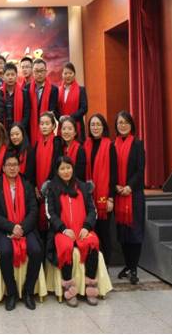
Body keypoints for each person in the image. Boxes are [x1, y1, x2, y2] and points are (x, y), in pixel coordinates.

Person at [0, 151, 43, 310]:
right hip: (4, 229)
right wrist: (11, 227)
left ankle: (28, 292)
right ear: (3, 168)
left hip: (26, 228)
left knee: (36, 251)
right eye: (9, 165)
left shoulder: (27, 185)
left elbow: (33, 210)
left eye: (15, 165)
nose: (12, 168)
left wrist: (22, 228)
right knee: (5, 252)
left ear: (19, 167)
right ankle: (11, 292)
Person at [46, 156, 100, 307]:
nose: (66, 171)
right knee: (66, 247)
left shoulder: (82, 187)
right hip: (62, 231)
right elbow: (50, 213)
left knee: (93, 242)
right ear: (57, 171)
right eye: (62, 168)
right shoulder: (52, 188)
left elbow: (92, 210)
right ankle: (69, 288)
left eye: (68, 168)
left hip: (82, 229)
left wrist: (87, 227)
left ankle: (90, 286)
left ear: (73, 168)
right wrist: (63, 229)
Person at [114, 111, 146, 285]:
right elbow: (111, 168)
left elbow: (140, 170)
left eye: (126, 122)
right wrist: (116, 186)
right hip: (119, 194)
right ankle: (127, 265)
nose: (123, 125)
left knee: (135, 232)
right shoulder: (113, 144)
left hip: (134, 195)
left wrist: (129, 187)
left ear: (131, 124)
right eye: (120, 122)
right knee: (123, 233)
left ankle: (134, 268)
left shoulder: (137, 144)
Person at [83, 114, 117, 265]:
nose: (95, 127)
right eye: (92, 125)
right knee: (91, 234)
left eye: (98, 124)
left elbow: (113, 174)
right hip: (88, 197)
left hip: (104, 197)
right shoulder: (86, 145)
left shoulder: (110, 145)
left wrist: (110, 198)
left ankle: (106, 267)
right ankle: (93, 267)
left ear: (103, 127)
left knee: (104, 234)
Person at [34, 112, 62, 233]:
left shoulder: (57, 142)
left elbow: (56, 166)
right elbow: (33, 166)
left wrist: (47, 185)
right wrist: (36, 187)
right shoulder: (37, 143)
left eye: (47, 123)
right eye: (41, 124)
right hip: (38, 188)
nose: (44, 126)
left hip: (52, 186)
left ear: (53, 126)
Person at [27, 58, 59, 144]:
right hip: (30, 129)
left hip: (46, 127)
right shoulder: (27, 89)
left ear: (46, 72)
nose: (39, 74)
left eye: (42, 71)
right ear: (33, 72)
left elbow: (52, 110)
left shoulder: (53, 89)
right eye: (37, 71)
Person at [57, 63, 88, 141]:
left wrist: (71, 117)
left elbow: (84, 108)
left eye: (70, 73)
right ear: (62, 75)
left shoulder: (81, 90)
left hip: (77, 125)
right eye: (65, 73)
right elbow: (55, 109)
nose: (68, 76)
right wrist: (60, 117)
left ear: (74, 74)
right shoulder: (58, 91)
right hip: (62, 126)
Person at [0, 62, 30, 131]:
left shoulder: (24, 93)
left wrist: (19, 128)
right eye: (7, 75)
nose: (10, 77)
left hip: (19, 130)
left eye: (12, 75)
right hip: (3, 130)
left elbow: (26, 114)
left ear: (16, 76)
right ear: (3, 77)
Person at [58, 116, 86, 182]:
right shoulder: (59, 148)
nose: (66, 132)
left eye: (70, 129)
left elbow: (80, 174)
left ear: (75, 132)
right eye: (64, 129)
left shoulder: (80, 149)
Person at [7, 122, 35, 187]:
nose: (14, 137)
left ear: (22, 134)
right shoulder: (9, 151)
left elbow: (30, 175)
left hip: (26, 186)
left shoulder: (29, 151)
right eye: (12, 135)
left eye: (17, 134)